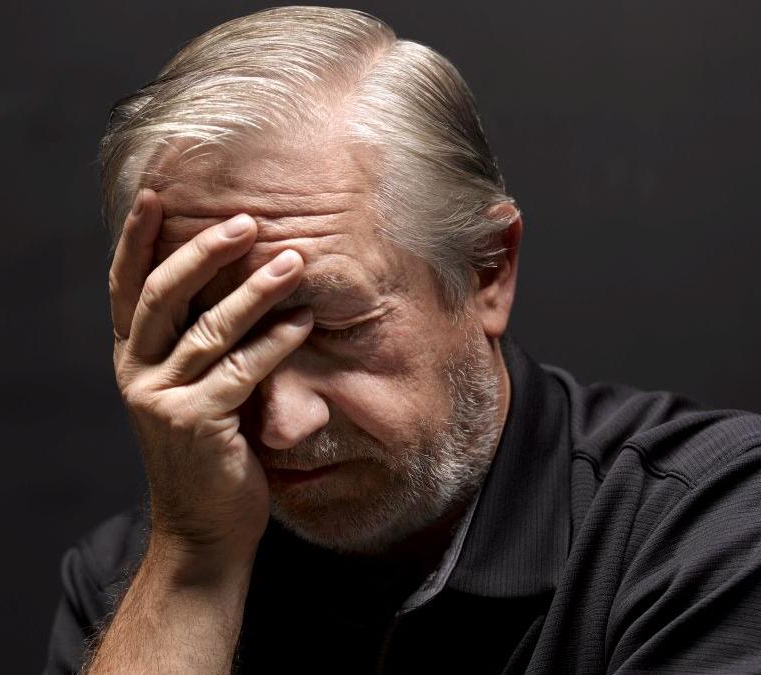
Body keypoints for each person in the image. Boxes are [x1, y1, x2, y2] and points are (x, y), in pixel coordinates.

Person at [43, 7, 761, 674]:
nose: (285, 423)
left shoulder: (708, 529)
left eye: (334, 327)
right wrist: (194, 565)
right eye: (220, 338)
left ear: (487, 270)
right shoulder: (134, 578)